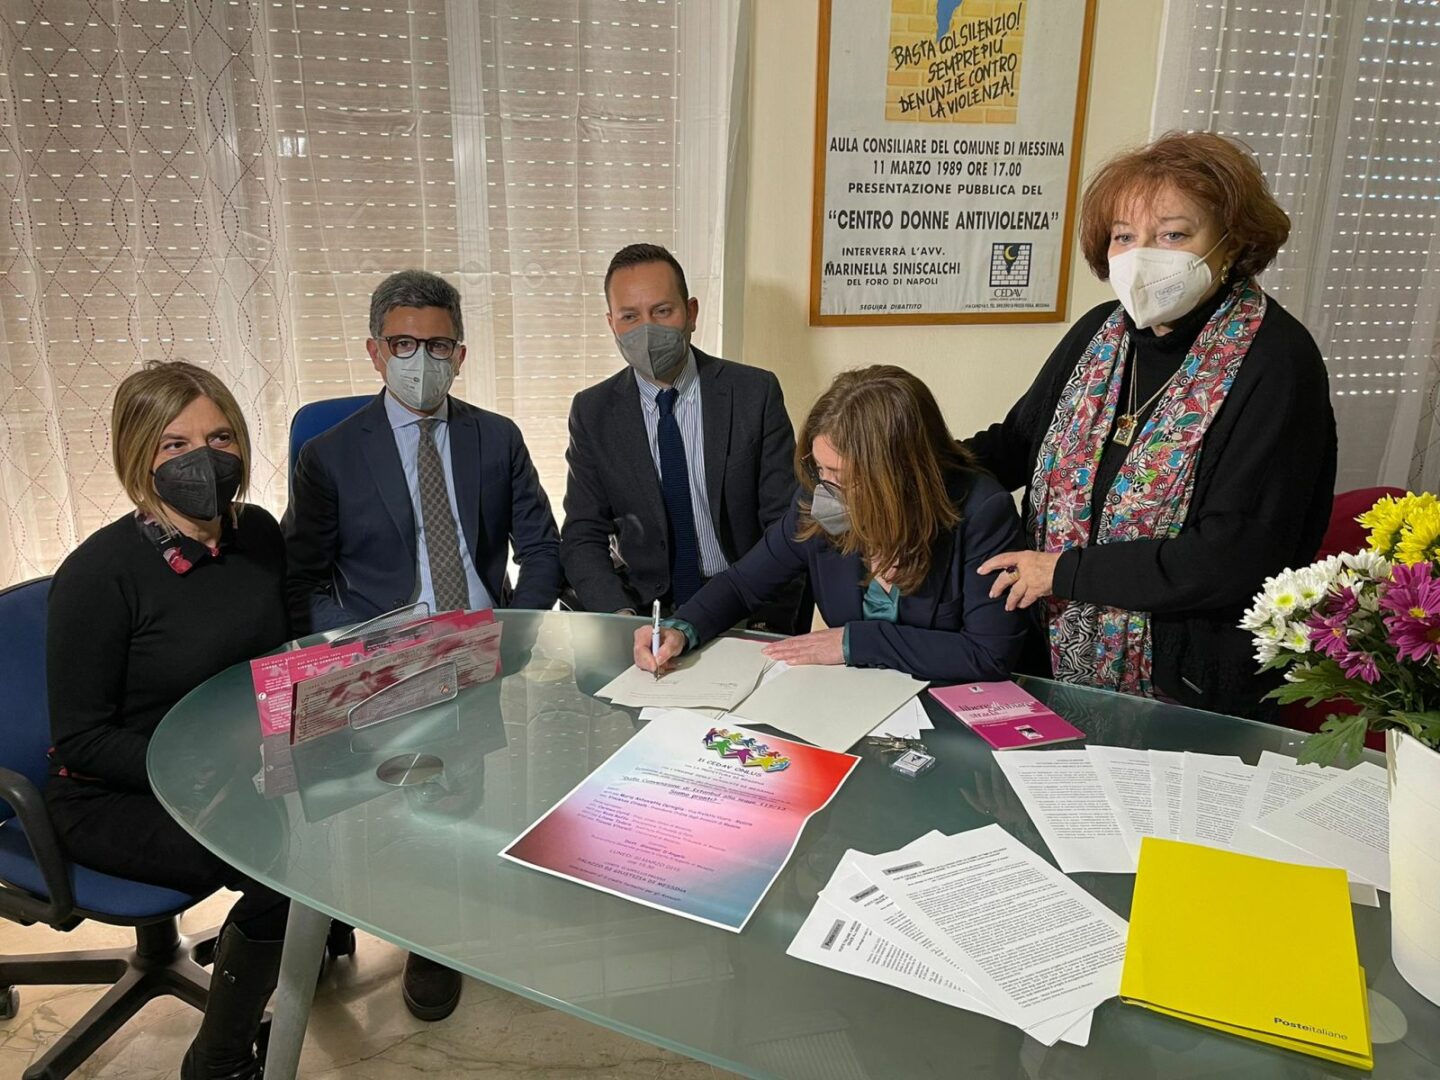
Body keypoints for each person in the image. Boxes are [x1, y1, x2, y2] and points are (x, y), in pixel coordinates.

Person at [965, 131, 1337, 719]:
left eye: (1173, 235)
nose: (1142, 256)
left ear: (1234, 242)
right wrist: (903, 466)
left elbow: (1231, 556)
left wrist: (1063, 572)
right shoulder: (1100, 333)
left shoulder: (1277, 361)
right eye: (1124, 236)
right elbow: (1014, 446)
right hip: (1054, 648)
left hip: (1190, 685)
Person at [283, 269, 562, 1019]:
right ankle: (349, 918)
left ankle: (436, 938)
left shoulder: (496, 438)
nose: (421, 360)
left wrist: (512, 631)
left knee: (464, 801)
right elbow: (300, 580)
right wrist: (352, 653)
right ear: (375, 352)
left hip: (483, 652)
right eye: (403, 344)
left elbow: (543, 549)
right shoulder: (330, 454)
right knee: (382, 813)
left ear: (460, 355)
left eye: (438, 346)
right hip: (381, 661)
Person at [45, 361, 289, 1080]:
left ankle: (296, 953)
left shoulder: (258, 534)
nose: (203, 460)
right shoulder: (99, 575)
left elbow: (274, 658)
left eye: (220, 438)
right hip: (114, 793)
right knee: (285, 866)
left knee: (353, 812)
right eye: (175, 445)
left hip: (236, 763)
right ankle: (217, 1060)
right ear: (138, 456)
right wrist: (207, 766)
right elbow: (82, 740)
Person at [635, 365, 1030, 683]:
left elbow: (988, 654)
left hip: (946, 711)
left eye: (840, 475)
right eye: (819, 468)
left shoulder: (982, 512)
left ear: (897, 476)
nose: (824, 488)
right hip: (847, 705)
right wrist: (682, 628)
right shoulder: (818, 498)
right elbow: (742, 584)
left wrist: (853, 642)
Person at [562, 244, 807, 630]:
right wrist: (620, 621)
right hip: (644, 611)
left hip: (741, 605)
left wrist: (764, 622)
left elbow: (786, 524)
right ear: (612, 324)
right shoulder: (593, 412)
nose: (647, 330)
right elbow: (583, 534)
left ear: (691, 313)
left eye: (662, 311)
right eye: (630, 316)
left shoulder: (753, 393)